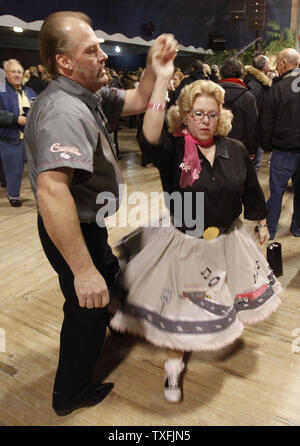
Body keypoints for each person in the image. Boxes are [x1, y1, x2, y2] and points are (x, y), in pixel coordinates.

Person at [24, 10, 177, 416]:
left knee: (108, 282)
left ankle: (115, 314)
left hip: (90, 224)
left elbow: (142, 99)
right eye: (91, 50)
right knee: (85, 309)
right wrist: (83, 270)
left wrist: (155, 70)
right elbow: (52, 190)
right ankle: (69, 395)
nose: (103, 56)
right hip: (73, 227)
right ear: (65, 62)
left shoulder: (86, 96)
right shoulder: (63, 110)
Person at [110, 79, 281, 403]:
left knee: (218, 297)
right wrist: (160, 82)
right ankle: (173, 365)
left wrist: (261, 221)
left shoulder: (235, 149)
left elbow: (250, 189)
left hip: (228, 241)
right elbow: (149, 137)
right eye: (198, 113)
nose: (205, 120)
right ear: (185, 116)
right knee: (182, 306)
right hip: (186, 244)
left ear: (221, 117)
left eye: (212, 114)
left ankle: (205, 335)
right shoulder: (172, 148)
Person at [260, 48, 300, 239]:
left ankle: (271, 229)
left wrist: (267, 146)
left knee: (276, 192)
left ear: (284, 64)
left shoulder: (277, 88)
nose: (276, 66)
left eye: (277, 63)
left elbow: (267, 122)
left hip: (283, 150)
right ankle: (298, 228)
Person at [0, 59, 37, 207]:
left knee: (37, 169)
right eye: (13, 72)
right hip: (10, 138)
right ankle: (13, 195)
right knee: (13, 170)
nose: (17, 75)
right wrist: (16, 119)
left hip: (30, 139)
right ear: (6, 75)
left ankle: (41, 196)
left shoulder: (30, 91)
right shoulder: (1, 91)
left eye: (19, 72)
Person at [219, 58, 259, 163]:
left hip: (215, 145)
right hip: (240, 146)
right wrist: (252, 150)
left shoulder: (210, 93)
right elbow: (252, 125)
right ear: (241, 74)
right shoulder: (248, 97)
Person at [244, 55, 272, 173]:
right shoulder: (257, 86)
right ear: (265, 67)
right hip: (253, 134)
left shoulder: (249, 80)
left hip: (248, 132)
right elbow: (254, 114)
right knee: (253, 167)